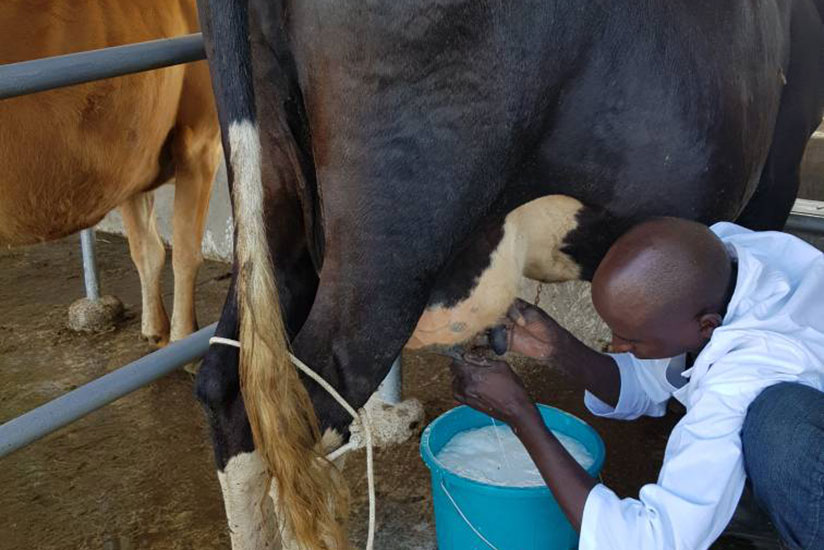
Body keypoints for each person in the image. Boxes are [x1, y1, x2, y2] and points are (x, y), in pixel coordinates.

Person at [450, 218, 824, 550]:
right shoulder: (721, 261)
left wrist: (521, 416)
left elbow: (649, 542)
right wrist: (558, 348)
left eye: (632, 340)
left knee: (777, 429)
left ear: (706, 326)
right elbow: (648, 382)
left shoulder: (751, 372)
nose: (616, 346)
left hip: (806, 447)